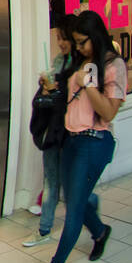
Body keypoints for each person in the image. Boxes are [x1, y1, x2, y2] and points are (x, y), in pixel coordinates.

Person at [26, 11, 125, 263]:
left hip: (94, 141)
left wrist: (87, 84)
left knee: (74, 208)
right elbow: (72, 100)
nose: (78, 47)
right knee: (73, 201)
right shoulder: (85, 62)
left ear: (95, 37)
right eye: (76, 42)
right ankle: (100, 231)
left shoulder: (113, 64)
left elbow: (108, 112)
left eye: (82, 42)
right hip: (70, 140)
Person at [25, 13, 84, 248]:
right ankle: (44, 229)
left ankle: (90, 210)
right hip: (53, 129)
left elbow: (81, 100)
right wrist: (46, 88)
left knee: (72, 187)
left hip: (73, 132)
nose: (61, 43)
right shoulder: (59, 61)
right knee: (51, 182)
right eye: (59, 37)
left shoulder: (84, 66)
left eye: (65, 38)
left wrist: (58, 93)